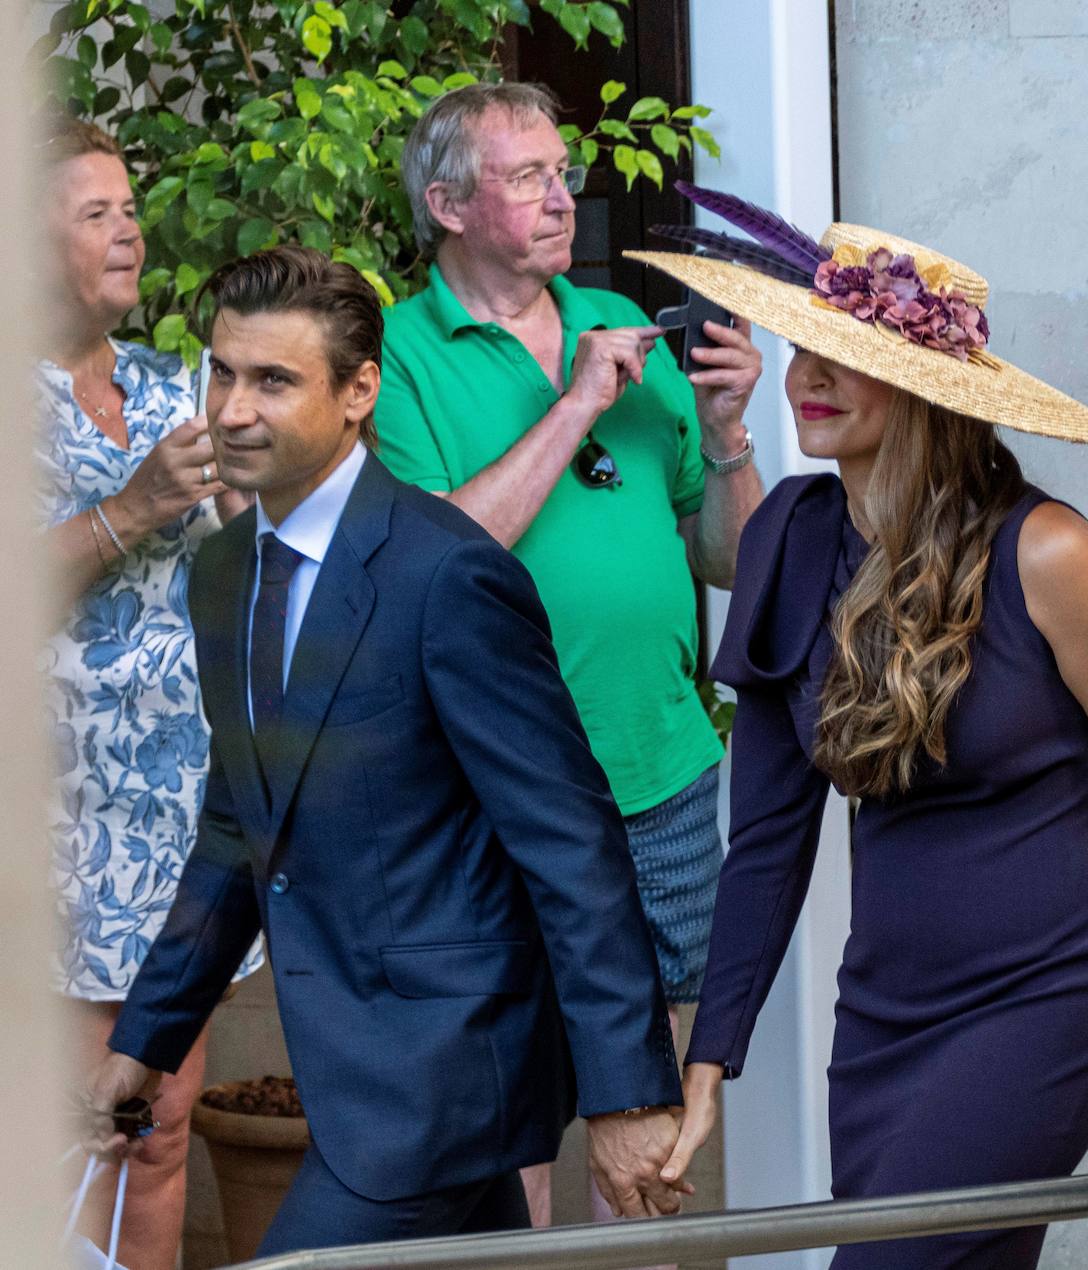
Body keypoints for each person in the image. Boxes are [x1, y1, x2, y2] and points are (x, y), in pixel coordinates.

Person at [629, 200, 1088, 1267]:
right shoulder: (787, 544)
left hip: (1045, 995)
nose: (809, 372)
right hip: (885, 1018)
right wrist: (707, 1063)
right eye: (806, 343)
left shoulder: (1050, 555)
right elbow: (765, 839)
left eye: (849, 353)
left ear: (929, 388)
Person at [81, 246, 688, 1256]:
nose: (232, 409)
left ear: (361, 391)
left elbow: (571, 842)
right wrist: (148, 1037)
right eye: (223, 371)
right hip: (359, 1069)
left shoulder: (447, 573)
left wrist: (627, 1094)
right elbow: (238, 826)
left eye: (274, 379)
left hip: (442, 1071)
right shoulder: (226, 569)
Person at [375, 81, 763, 1225]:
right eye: (530, 175)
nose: (565, 193)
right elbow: (425, 561)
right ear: (447, 204)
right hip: (494, 798)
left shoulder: (618, 324)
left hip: (663, 774)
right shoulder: (396, 356)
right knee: (514, 1136)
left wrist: (735, 439)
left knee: (650, 1135)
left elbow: (734, 560)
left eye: (563, 169)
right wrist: (579, 403)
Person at [36, 115, 262, 1270]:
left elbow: (237, 557)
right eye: (95, 214)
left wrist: (237, 508)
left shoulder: (166, 381)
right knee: (82, 1131)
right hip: (58, 830)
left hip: (178, 816)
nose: (128, 231)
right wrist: (132, 507)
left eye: (129, 209)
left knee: (160, 1125)